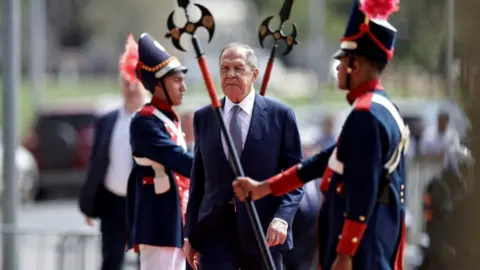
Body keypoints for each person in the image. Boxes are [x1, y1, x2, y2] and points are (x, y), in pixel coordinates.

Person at [232, 0, 410, 269]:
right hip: (374, 243)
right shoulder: (381, 108)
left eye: (342, 60)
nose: (337, 67)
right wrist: (265, 188)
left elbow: (363, 190)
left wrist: (345, 253)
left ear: (356, 65)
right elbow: (324, 161)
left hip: (361, 252)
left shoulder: (366, 114)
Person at [184, 42, 304, 270]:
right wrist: (190, 234)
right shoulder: (205, 117)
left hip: (263, 229)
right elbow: (198, 180)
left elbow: (295, 179)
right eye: (224, 68)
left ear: (254, 74)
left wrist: (282, 218)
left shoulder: (280, 116)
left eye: (238, 68)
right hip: (214, 230)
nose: (230, 74)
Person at [125, 33, 193, 270]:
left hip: (175, 219)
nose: (183, 87)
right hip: (158, 223)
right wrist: (219, 169)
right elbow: (180, 160)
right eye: (176, 81)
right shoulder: (145, 122)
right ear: (157, 84)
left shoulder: (168, 118)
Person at [78, 34, 146, 270]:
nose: (129, 88)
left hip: (144, 203)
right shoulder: (107, 120)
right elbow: (96, 162)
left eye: (133, 81)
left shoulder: (154, 119)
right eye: (125, 82)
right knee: (111, 260)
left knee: (145, 262)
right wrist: (89, 204)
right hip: (112, 203)